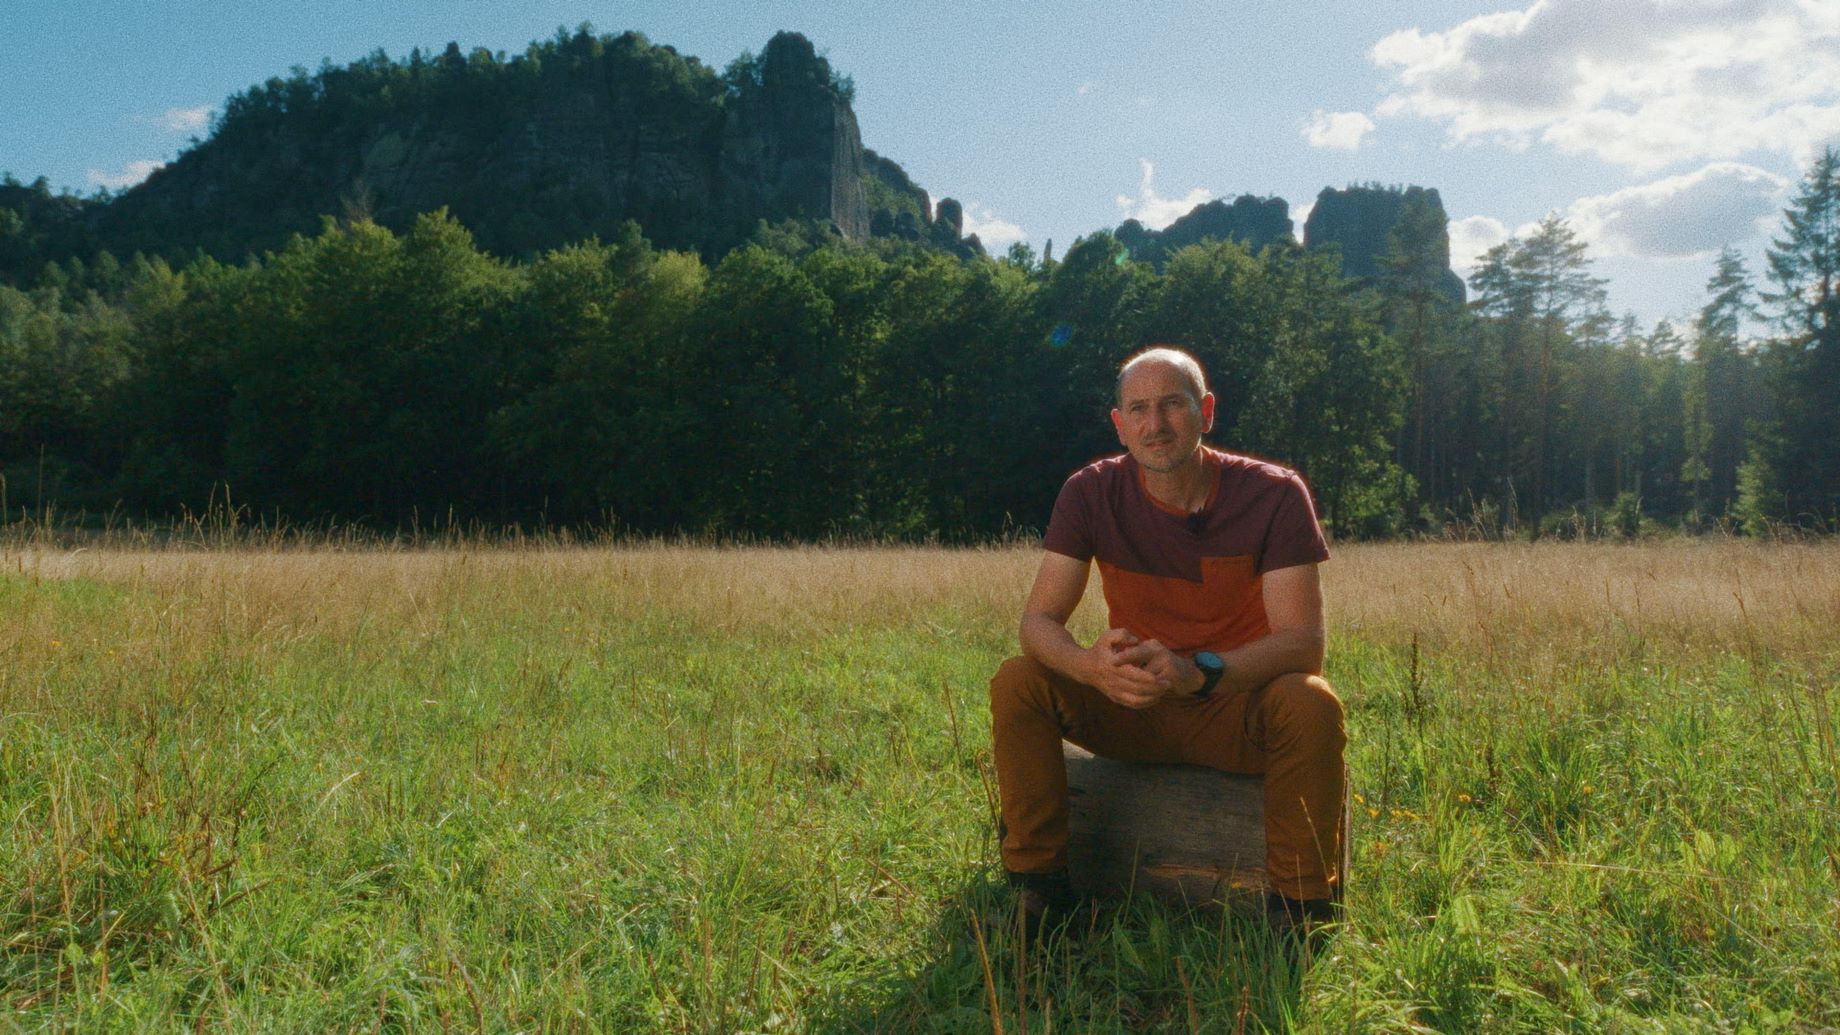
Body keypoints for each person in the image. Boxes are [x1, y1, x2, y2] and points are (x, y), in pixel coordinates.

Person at [988, 345, 1346, 937]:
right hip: (1135, 709)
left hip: (1232, 707)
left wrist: (1198, 672)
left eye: (1172, 406)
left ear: (1205, 410)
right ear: (1119, 424)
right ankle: (1040, 892)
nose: (1156, 425)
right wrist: (1090, 668)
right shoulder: (1090, 493)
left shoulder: (1275, 495)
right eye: (1139, 409)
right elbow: (1037, 624)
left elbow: (1302, 644)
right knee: (1018, 680)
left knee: (1310, 701)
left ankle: (1301, 912)